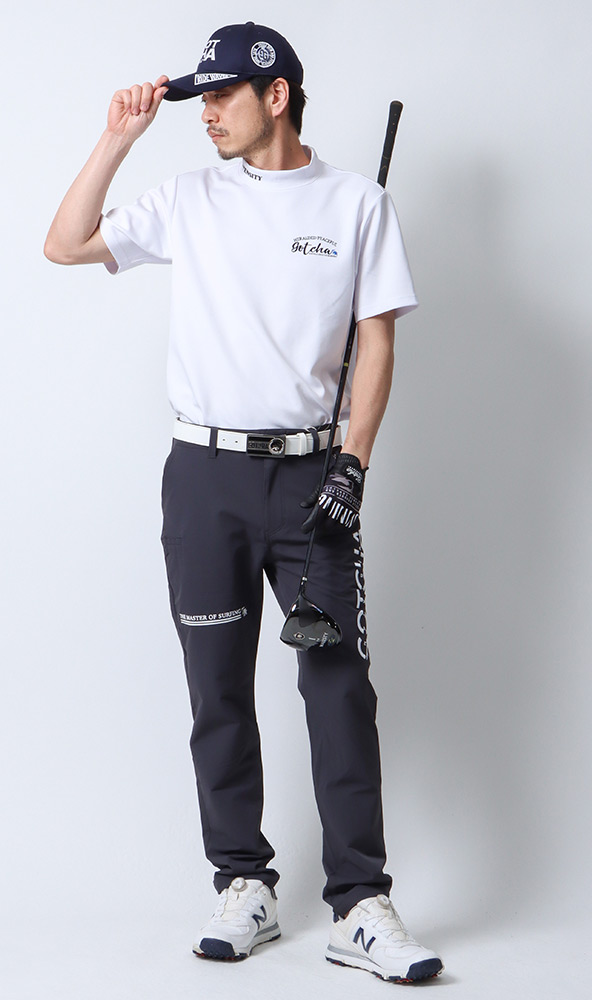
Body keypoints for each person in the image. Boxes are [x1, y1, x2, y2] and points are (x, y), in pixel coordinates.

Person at [45, 21, 443, 984]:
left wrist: (353, 467)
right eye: (202, 97)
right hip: (204, 477)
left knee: (338, 687)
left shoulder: (357, 203)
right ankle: (243, 884)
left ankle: (360, 902)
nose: (207, 112)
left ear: (277, 96)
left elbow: (376, 343)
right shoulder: (189, 198)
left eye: (222, 94)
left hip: (313, 479)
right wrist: (118, 137)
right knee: (215, 686)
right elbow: (64, 244)